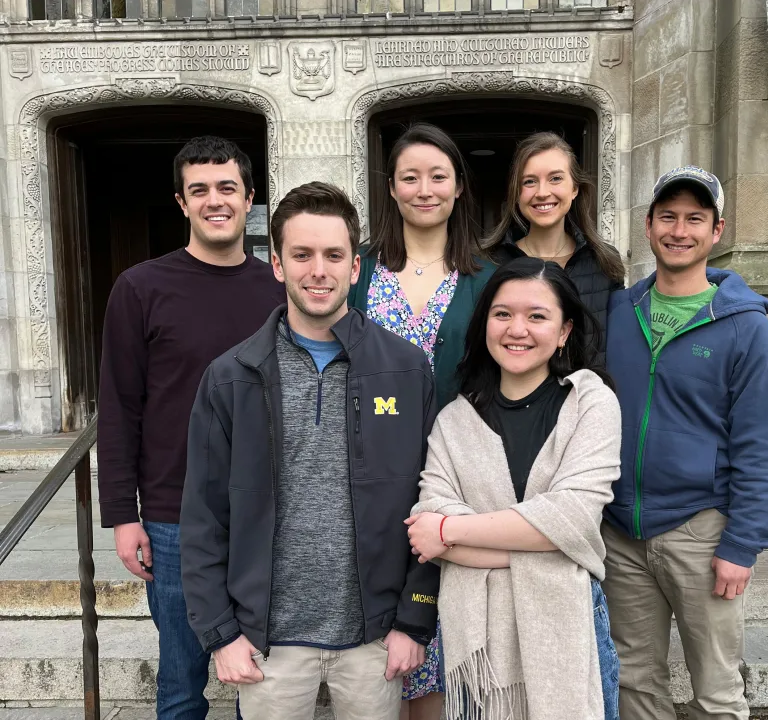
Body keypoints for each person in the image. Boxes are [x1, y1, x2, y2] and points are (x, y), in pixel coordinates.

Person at [180, 182, 440, 720]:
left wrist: (414, 621)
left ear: (355, 267)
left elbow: (433, 499)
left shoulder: (407, 370)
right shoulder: (231, 377)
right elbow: (203, 516)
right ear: (276, 264)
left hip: (374, 638)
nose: (317, 270)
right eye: (301, 255)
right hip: (268, 642)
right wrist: (220, 634)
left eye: (333, 255)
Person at [97, 135, 284, 719]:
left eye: (227, 187)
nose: (214, 200)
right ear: (181, 202)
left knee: (258, 677)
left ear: (249, 197)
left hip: (265, 512)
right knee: (181, 681)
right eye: (198, 190)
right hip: (173, 515)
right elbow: (120, 407)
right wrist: (123, 517)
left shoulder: (279, 289)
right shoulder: (141, 288)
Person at [603, 165, 768, 719]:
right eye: (668, 217)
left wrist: (742, 545)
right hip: (621, 532)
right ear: (648, 225)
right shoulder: (619, 313)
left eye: (694, 218)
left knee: (716, 688)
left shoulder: (744, 327)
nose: (679, 230)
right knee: (635, 680)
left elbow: (762, 443)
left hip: (702, 533)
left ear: (717, 230)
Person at [406, 257, 622, 720]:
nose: (516, 329)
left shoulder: (591, 404)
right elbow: (429, 524)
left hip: (571, 627)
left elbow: (575, 517)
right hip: (482, 648)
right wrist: (554, 547)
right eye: (502, 314)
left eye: (537, 316)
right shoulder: (454, 423)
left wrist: (451, 530)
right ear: (485, 323)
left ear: (564, 331)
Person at [348, 123, 494, 719]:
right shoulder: (357, 272)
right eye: (410, 177)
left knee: (440, 637)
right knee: (380, 643)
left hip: (456, 478)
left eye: (438, 176)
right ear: (392, 187)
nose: (424, 189)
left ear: (459, 187)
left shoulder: (486, 278)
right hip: (366, 473)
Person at [484, 131, 625, 368]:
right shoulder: (490, 262)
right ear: (517, 193)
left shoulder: (603, 261)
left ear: (575, 188)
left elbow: (616, 349)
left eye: (555, 178)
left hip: (585, 401)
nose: (542, 192)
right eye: (529, 181)